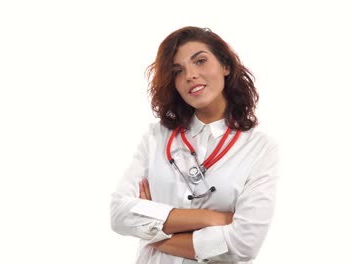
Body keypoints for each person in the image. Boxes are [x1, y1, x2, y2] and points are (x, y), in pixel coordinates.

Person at [110, 26, 279, 264]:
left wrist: (152, 233)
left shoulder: (260, 149)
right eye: (178, 71)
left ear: (225, 66)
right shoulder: (156, 137)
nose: (190, 75)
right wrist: (212, 218)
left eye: (200, 61)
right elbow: (119, 214)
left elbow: (244, 244)